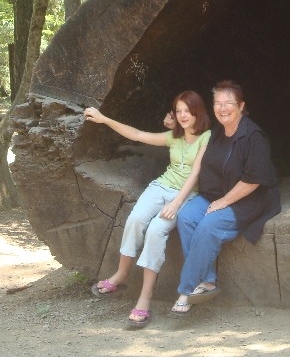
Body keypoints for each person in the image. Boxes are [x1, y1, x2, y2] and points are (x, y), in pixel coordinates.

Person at [83, 91, 211, 328]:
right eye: (179, 110)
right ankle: (121, 275)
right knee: (135, 220)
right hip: (160, 187)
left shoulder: (206, 137)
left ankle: (145, 297)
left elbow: (196, 173)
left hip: (185, 195)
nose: (183, 115)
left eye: (187, 111)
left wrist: (176, 203)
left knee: (155, 231)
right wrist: (104, 119)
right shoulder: (174, 136)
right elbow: (138, 135)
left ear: (198, 112)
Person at [170, 80, 280, 315]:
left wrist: (223, 202)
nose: (222, 108)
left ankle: (186, 290)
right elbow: (191, 131)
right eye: (217, 103)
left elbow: (253, 180)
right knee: (186, 216)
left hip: (248, 199)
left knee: (209, 225)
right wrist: (171, 123)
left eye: (228, 103)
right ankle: (207, 281)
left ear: (241, 106)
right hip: (215, 195)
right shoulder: (217, 133)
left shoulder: (253, 136)